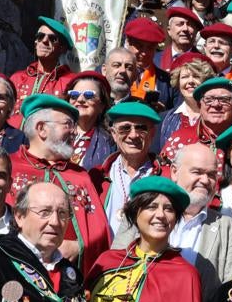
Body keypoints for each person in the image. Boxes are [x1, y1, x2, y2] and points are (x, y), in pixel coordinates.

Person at [9, 93, 111, 273]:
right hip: (16, 269)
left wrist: (79, 246)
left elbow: (99, 230)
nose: (74, 131)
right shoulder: (10, 168)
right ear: (41, 129)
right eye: (68, 125)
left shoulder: (80, 176)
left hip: (68, 277)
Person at [171, 142, 232, 286]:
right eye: (197, 172)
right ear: (175, 172)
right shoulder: (146, 215)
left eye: (211, 174)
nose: (205, 181)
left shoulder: (230, 230)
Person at [94, 100, 161, 247]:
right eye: (125, 128)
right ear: (113, 134)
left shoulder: (165, 177)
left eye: (141, 128)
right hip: (102, 263)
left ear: (152, 133)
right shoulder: (96, 177)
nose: (133, 135)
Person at [10, 16, 74, 104]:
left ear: (63, 48)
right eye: (40, 36)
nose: (44, 40)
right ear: (36, 43)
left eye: (53, 39)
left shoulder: (70, 82)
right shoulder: (17, 78)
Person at [62, 69, 116, 169]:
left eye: (88, 95)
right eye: (74, 95)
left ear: (102, 105)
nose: (80, 99)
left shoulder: (112, 141)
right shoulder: (56, 133)